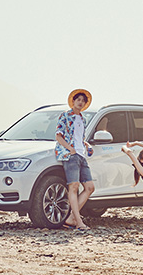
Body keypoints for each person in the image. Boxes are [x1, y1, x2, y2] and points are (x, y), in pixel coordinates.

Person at [55, 89, 95, 231]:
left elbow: (79, 138)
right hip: (71, 155)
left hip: (81, 155)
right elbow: (58, 136)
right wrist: (70, 149)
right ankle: (79, 222)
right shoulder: (65, 115)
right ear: (73, 101)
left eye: (83, 101)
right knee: (73, 187)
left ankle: (72, 218)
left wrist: (86, 145)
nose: (80, 102)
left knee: (90, 187)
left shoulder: (83, 119)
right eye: (78, 100)